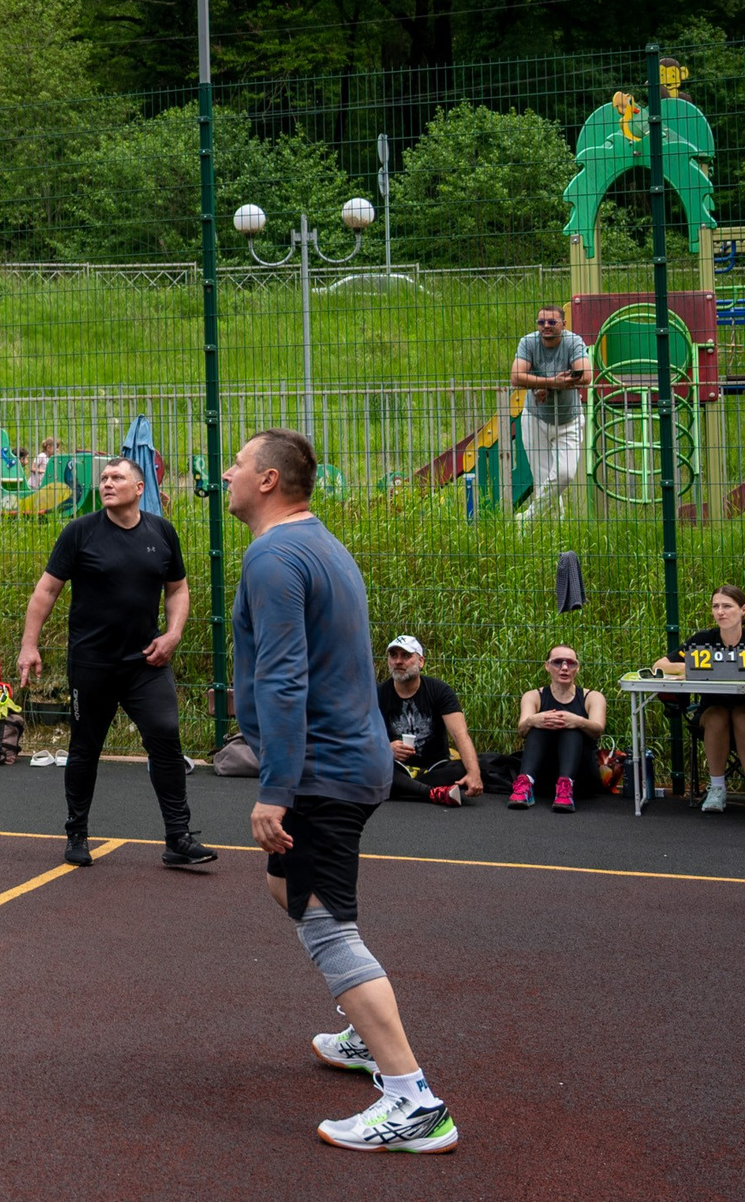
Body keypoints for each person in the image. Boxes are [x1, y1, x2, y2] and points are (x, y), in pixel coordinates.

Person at [227, 428, 456, 1155]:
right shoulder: (317, 542)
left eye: (236, 463)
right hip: (345, 761)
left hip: (322, 770)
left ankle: (414, 1100)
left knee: (324, 921)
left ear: (267, 480)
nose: (226, 473)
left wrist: (275, 785)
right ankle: (365, 1034)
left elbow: (284, 676)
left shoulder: (274, 554)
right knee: (284, 886)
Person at [19, 454, 215, 870]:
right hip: (92, 665)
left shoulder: (161, 531)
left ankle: (178, 838)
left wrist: (173, 634)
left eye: (117, 477)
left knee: (165, 737)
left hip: (145, 662)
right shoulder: (80, 532)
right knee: (85, 748)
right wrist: (29, 646)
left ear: (139, 488)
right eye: (104, 477)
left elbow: (177, 589)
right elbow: (46, 592)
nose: (107, 483)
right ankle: (77, 832)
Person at [664, 585, 745, 816]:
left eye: (727, 606)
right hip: (711, 713)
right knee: (717, 715)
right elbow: (660, 665)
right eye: (716, 606)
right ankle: (717, 788)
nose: (720, 612)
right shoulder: (703, 641)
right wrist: (694, 667)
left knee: (741, 715)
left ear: (743, 610)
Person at [376, 636, 482, 806]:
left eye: (405, 656)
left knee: (464, 768)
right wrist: (386, 749)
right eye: (393, 655)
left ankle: (406, 789)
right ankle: (432, 792)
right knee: (372, 766)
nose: (398, 661)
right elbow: (364, 738)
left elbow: (460, 735)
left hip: (435, 767)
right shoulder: (378, 693)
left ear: (421, 661)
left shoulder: (440, 691)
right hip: (397, 766)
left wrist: (474, 774)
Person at [510, 304, 592, 519]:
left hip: (569, 419)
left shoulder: (573, 342)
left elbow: (585, 375)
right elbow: (516, 377)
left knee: (564, 474)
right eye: (541, 322)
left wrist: (548, 386)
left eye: (552, 322)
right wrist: (550, 382)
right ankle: (555, 531)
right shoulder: (528, 342)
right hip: (535, 418)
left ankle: (525, 519)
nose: (546, 326)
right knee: (544, 479)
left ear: (563, 324)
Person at [510, 647, 606, 811]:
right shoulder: (533, 696)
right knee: (538, 724)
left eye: (571, 663)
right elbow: (522, 731)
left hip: (580, 777)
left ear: (578, 667)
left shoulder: (593, 697)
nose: (564, 668)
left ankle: (566, 785)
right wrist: (534, 720)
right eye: (557, 662)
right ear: (547, 666)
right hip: (544, 776)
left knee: (571, 728)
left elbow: (598, 729)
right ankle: (524, 783)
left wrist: (578, 721)